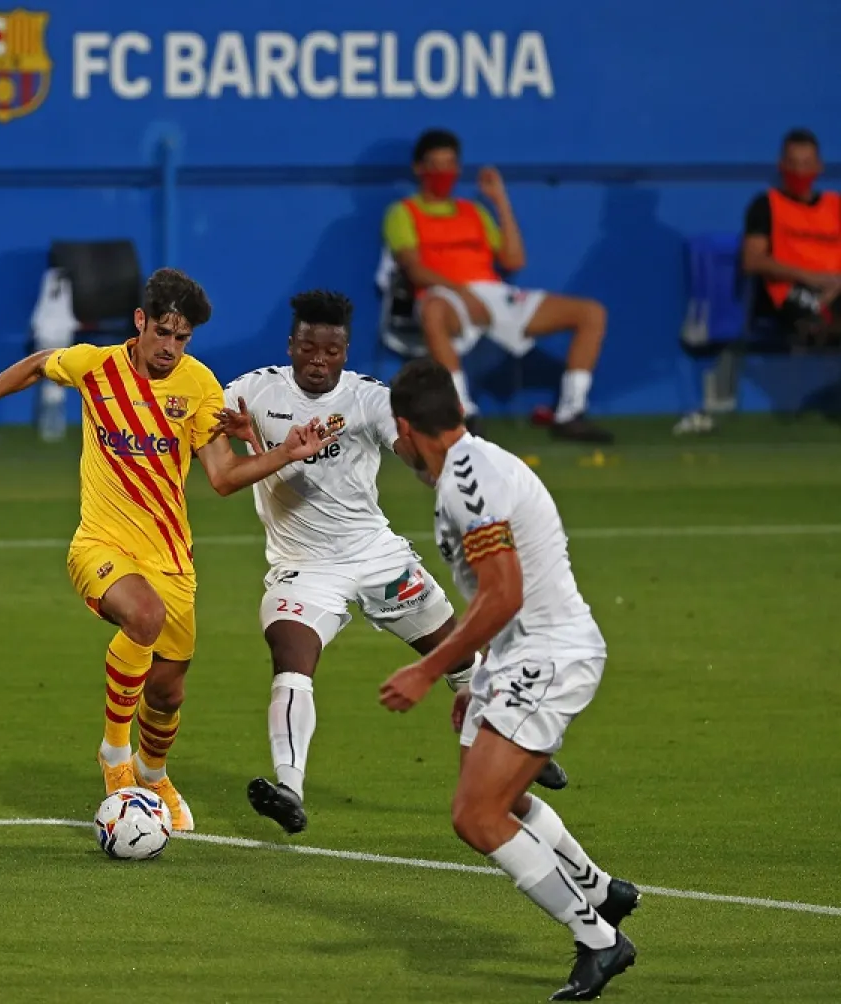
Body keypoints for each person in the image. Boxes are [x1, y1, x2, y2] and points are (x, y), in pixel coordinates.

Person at [0, 268, 336, 831]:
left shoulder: (199, 386)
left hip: (171, 558)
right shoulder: (96, 366)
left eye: (183, 339)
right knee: (142, 617)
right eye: (164, 333)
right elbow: (35, 364)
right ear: (141, 321)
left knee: (168, 691)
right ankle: (115, 756)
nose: (171, 348)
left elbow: (221, 476)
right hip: (100, 544)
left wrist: (284, 454)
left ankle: (152, 774)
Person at [220, 291, 567, 836]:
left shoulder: (366, 400)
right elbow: (210, 447)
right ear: (290, 345)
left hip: (377, 557)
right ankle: (289, 787)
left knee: (460, 660)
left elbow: (412, 449)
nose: (317, 359)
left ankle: (521, 747)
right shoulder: (250, 391)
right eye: (307, 346)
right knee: (290, 654)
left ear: (345, 351)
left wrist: (439, 472)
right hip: (303, 566)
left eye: (330, 350)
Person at [379, 358, 638, 1001]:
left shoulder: (469, 482)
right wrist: (482, 678)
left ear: (407, 430)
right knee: (498, 794)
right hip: (521, 656)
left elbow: (503, 594)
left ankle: (600, 941)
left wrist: (428, 668)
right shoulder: (476, 467)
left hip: (550, 656)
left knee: (475, 814)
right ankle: (603, 891)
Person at [383, 129, 612, 443]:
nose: (443, 173)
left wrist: (500, 200)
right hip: (444, 295)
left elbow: (514, 260)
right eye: (435, 165)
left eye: (450, 164)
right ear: (419, 169)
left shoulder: (473, 211)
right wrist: (462, 293)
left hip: (492, 293)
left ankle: (570, 413)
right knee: (434, 310)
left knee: (591, 313)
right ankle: (461, 411)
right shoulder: (403, 213)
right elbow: (416, 269)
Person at [742, 128, 841, 345]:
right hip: (788, 292)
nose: (799, 171)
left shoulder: (835, 206)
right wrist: (811, 277)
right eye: (793, 163)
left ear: (819, 167)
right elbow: (752, 260)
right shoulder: (766, 205)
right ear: (781, 165)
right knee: (818, 321)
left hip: (834, 288)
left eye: (806, 164)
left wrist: (834, 285)